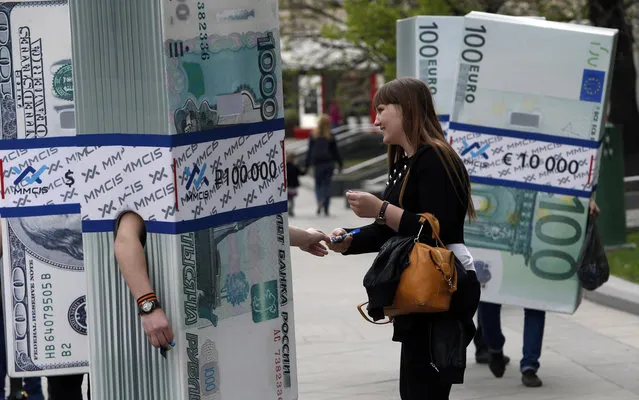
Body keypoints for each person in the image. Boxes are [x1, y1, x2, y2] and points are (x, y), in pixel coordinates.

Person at [326, 77, 480, 400]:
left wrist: (380, 208)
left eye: (381, 109)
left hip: (442, 289)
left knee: (424, 392)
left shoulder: (437, 158)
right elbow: (391, 231)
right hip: (419, 293)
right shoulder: (404, 164)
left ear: (405, 109)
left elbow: (433, 232)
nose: (375, 120)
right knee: (413, 390)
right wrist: (348, 239)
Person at [114, 211, 331, 349]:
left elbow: (252, 222)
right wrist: (148, 306)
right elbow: (125, 238)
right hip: (157, 330)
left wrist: (305, 237)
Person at [477, 198, 600, 388]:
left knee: (534, 300)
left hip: (537, 222)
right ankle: (495, 347)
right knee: (490, 295)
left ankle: (529, 365)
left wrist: (587, 199)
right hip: (501, 221)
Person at [305, 114, 343, 217]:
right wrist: (340, 164)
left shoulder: (313, 135)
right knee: (327, 185)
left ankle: (319, 200)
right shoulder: (330, 136)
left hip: (318, 164)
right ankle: (326, 207)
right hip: (329, 163)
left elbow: (309, 151)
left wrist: (306, 165)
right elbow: (336, 152)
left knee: (318, 184)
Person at [286, 152, 305, 217]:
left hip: (287, 186)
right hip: (292, 186)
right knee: (291, 199)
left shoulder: (286, 166)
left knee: (288, 199)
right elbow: (301, 173)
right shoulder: (295, 166)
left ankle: (289, 210)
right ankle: (290, 210)